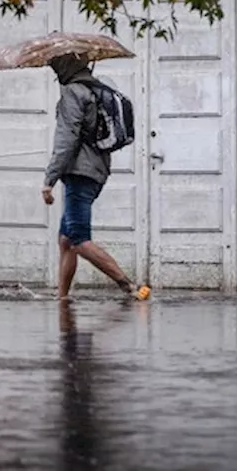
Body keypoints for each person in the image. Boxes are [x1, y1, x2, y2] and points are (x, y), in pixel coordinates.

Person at [42, 53, 151, 301]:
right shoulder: (94, 89)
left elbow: (66, 139)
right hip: (96, 170)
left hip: (80, 172)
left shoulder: (72, 92)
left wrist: (49, 180)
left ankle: (129, 286)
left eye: (55, 65)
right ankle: (62, 297)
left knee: (79, 239)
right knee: (66, 239)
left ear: (64, 67)